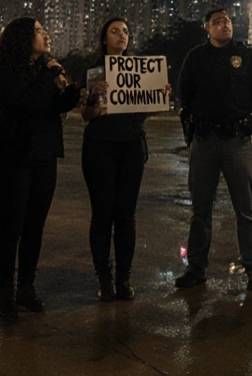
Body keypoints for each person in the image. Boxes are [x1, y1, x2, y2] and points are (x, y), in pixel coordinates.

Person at [0, 18, 80, 320]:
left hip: (44, 156)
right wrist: (49, 74)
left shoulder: (45, 70)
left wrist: (74, 91)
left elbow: (52, 106)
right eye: (38, 31)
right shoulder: (1, 73)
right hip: (15, 157)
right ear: (22, 38)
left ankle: (27, 287)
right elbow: (28, 103)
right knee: (12, 227)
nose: (45, 35)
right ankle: (6, 292)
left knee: (35, 227)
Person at [173, 8, 252, 293]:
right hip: (204, 141)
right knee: (201, 210)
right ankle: (196, 269)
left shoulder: (247, 56)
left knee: (246, 210)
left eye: (227, 21)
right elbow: (184, 93)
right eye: (217, 22)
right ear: (207, 29)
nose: (224, 24)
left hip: (237, 141)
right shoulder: (196, 57)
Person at [80, 17, 164, 301]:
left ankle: (123, 278)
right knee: (103, 215)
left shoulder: (140, 71)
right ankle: (104, 277)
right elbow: (86, 115)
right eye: (115, 31)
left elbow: (142, 113)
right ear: (104, 38)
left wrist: (157, 98)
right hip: (100, 147)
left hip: (131, 146)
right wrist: (93, 96)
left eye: (126, 31)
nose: (122, 35)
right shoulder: (94, 70)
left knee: (126, 216)